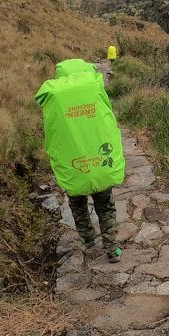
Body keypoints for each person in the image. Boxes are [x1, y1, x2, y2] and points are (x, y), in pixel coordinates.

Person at [35, 59, 125, 263]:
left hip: (73, 162)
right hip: (99, 160)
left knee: (77, 204)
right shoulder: (94, 86)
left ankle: (87, 240)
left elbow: (53, 131)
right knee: (105, 205)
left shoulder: (54, 95)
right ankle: (111, 248)